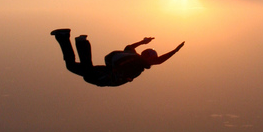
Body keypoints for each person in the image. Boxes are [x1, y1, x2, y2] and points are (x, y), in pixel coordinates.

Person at [50, 29, 184, 87]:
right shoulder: (136, 60)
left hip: (107, 75)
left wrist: (174, 51)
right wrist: (174, 51)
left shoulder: (135, 60)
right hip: (106, 75)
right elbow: (158, 60)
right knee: (82, 69)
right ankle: (75, 40)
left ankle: (67, 37)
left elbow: (157, 60)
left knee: (78, 67)